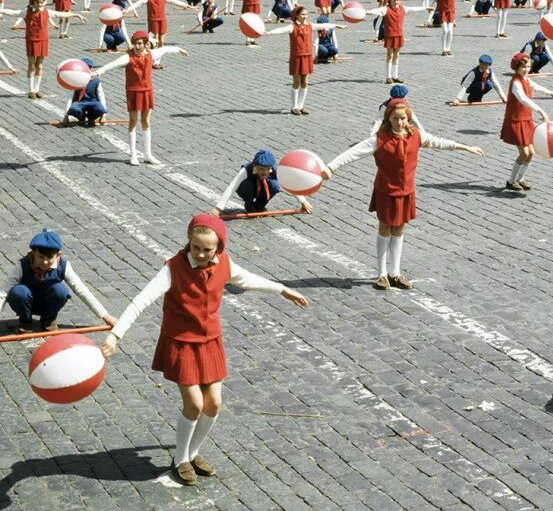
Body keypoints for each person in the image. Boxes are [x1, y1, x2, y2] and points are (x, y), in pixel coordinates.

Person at [100, 214, 307, 486]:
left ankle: (193, 452)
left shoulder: (225, 264)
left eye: (207, 249)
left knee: (214, 403)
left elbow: (248, 280)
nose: (200, 254)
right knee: (195, 404)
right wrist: (115, 336)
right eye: (195, 247)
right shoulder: (173, 268)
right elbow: (141, 301)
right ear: (189, 242)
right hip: (182, 343)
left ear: (219, 248)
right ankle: (180, 459)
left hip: (210, 343)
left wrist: (281, 289)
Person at [325, 99, 483, 289]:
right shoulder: (379, 139)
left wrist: (465, 147)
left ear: (408, 118)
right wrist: (330, 167)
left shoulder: (416, 135)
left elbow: (438, 142)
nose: (400, 122)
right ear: (388, 119)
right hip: (386, 190)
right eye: (395, 118)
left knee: (399, 229)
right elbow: (352, 153)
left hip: (406, 190)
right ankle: (382, 273)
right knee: (385, 228)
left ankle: (395, 273)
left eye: (403, 118)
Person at [95, 30, 189, 165]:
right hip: (133, 91)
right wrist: (97, 72)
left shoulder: (151, 54)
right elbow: (112, 64)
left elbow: (165, 49)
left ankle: (148, 154)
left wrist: (178, 49)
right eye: (135, 44)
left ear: (146, 44)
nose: (137, 46)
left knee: (146, 121)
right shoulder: (128, 57)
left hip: (147, 91)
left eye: (139, 44)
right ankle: (133, 155)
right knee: (133, 121)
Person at [0, 229, 115, 333]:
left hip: (49, 303)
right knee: (18, 291)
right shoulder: (22, 265)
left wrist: (105, 316)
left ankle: (48, 320)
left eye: (49, 258)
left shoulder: (64, 265)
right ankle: (25, 321)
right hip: (25, 302)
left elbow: (81, 290)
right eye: (41, 257)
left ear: (58, 255)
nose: (45, 262)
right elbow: (3, 293)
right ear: (33, 253)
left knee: (60, 290)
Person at [5, 0, 85, 99]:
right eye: (38, 2)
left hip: (43, 40)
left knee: (40, 65)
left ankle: (37, 89)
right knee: (31, 65)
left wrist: (76, 15)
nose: (40, 4)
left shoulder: (47, 12)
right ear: (33, 3)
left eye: (42, 2)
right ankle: (31, 90)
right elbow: (12, 12)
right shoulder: (26, 12)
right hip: (32, 40)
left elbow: (61, 14)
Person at [500, 52, 553, 193]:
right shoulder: (515, 82)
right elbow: (523, 99)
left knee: (531, 152)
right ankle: (510, 181)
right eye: (523, 67)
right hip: (516, 120)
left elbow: (537, 87)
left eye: (528, 66)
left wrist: (550, 92)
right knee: (524, 152)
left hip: (526, 120)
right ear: (516, 68)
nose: (526, 69)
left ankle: (520, 179)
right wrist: (540, 110)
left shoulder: (526, 80)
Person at [211, 149, 321, 216]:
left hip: (264, 188)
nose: (265, 172)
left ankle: (260, 205)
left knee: (275, 185)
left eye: (267, 169)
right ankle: (249, 205)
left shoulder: (276, 170)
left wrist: (303, 202)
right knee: (247, 186)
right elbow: (232, 187)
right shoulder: (246, 170)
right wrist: (218, 208)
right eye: (261, 169)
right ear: (255, 166)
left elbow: (288, 184)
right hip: (248, 188)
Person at [267, 6, 315, 116]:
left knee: (305, 82)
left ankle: (301, 106)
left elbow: (322, 26)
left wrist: (336, 25)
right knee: (296, 82)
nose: (305, 16)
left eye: (306, 14)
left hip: (307, 56)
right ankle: (294, 107)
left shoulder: (310, 26)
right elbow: (281, 30)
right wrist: (270, 32)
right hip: (297, 57)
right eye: (303, 14)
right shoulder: (292, 27)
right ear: (297, 15)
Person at [61, 56, 107, 126]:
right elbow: (70, 98)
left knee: (100, 108)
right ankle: (81, 117)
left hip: (93, 102)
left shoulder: (96, 81)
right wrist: (66, 116)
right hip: (81, 103)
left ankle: (91, 117)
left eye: (89, 67)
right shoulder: (76, 80)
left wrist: (103, 116)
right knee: (74, 108)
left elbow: (101, 97)